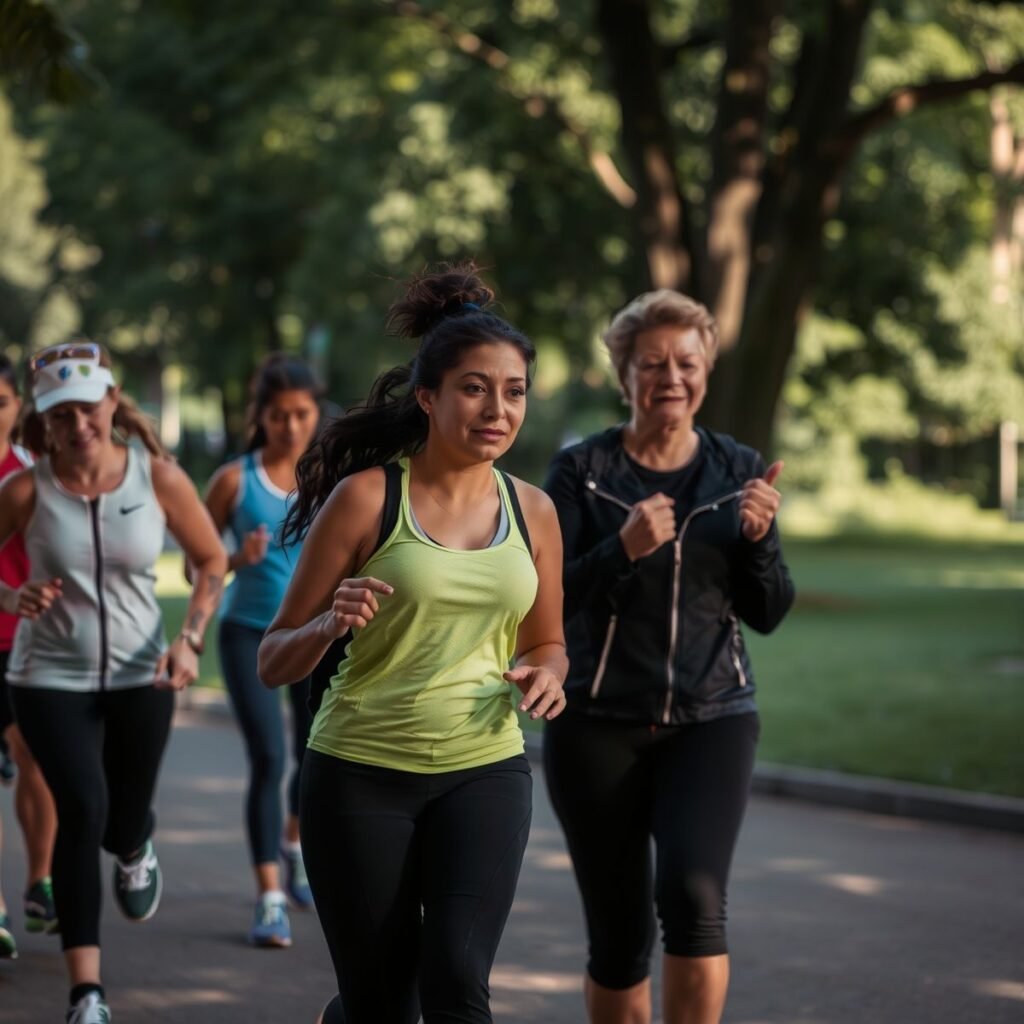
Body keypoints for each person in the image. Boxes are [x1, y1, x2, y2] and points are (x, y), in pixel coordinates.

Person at [257, 264, 568, 1024]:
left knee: (457, 980)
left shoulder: (534, 511)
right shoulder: (366, 497)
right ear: (428, 396)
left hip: (484, 770)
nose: (498, 409)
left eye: (515, 391)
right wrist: (328, 624)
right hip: (359, 775)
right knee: (381, 1002)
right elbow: (272, 658)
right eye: (474, 388)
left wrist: (547, 673)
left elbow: (548, 641)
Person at [542, 290, 795, 1024]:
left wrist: (760, 542)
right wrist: (620, 550)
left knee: (694, 895)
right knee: (619, 933)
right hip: (596, 724)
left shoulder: (738, 468)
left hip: (711, 717)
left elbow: (769, 612)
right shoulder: (581, 473)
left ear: (706, 371)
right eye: (652, 363)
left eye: (687, 362)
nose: (671, 377)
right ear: (624, 374)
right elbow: (544, 599)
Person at [0, 340, 227, 1024]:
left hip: (141, 674)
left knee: (121, 820)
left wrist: (190, 639)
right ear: (43, 419)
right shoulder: (24, 490)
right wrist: (10, 598)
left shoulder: (158, 479)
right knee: (81, 810)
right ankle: (87, 994)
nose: (77, 425)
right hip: (46, 676)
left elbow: (210, 560)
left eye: (87, 408)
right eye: (60, 414)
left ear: (111, 399)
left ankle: (134, 843)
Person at [201, 354, 322, 948]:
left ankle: (292, 843)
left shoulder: (333, 476)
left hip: (315, 635)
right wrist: (234, 558)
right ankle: (270, 896)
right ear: (261, 417)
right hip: (248, 633)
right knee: (269, 758)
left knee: (312, 755)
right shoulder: (233, 480)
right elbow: (198, 562)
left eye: (301, 414)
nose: (291, 426)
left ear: (316, 412)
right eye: (279, 416)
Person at [0, 353, 59, 962]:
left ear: (18, 405)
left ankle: (40, 881)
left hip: (23, 640)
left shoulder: (32, 475)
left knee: (32, 759)